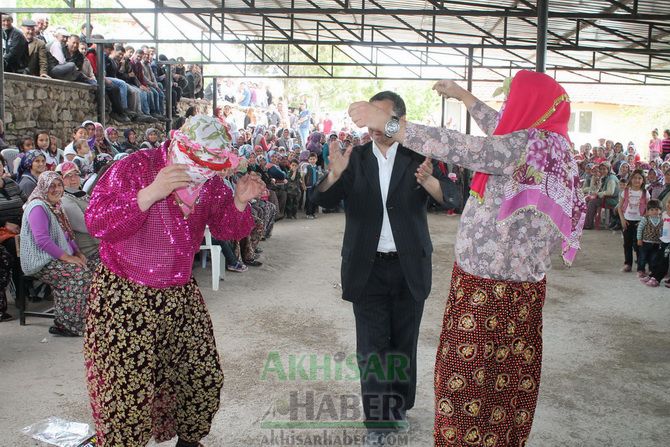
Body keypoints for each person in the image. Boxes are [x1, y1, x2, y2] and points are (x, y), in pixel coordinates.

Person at [347, 71, 586, 447]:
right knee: (505, 380)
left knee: (466, 380)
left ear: (528, 105)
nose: (506, 109)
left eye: (513, 102)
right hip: (521, 291)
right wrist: (465, 97)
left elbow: (461, 146)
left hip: (488, 291)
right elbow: (502, 128)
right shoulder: (550, 145)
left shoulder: (521, 146)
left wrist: (389, 123)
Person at [83, 115, 265, 447]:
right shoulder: (135, 167)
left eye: (212, 166)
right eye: (199, 162)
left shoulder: (208, 183)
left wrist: (240, 200)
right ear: (177, 146)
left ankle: (190, 440)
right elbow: (98, 221)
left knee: (201, 375)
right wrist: (150, 193)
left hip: (179, 293)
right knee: (126, 391)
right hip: (124, 294)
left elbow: (227, 230)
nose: (204, 171)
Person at [314, 91, 457, 446]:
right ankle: (377, 423)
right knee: (372, 348)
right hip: (368, 268)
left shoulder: (417, 156)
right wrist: (333, 175)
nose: (374, 125)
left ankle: (399, 405)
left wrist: (430, 183)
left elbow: (453, 198)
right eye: (371, 116)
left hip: (409, 265)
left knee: (403, 344)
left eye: (382, 117)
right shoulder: (355, 158)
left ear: (398, 120)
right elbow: (317, 200)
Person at [19, 171, 94, 336]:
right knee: (79, 275)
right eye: (51, 185)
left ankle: (81, 319)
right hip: (40, 260)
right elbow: (42, 241)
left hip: (54, 257)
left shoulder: (56, 206)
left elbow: (67, 235)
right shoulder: (37, 206)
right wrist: (69, 258)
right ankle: (67, 324)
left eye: (59, 185)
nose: (56, 189)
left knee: (92, 267)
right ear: (43, 187)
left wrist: (78, 253)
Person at [59, 161, 100, 259]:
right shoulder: (65, 199)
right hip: (91, 250)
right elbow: (87, 225)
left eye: (76, 174)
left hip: (100, 244)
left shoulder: (80, 194)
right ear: (62, 179)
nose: (73, 179)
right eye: (68, 176)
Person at [618, 170, 649, 273]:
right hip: (627, 221)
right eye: (635, 177)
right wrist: (622, 219)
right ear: (631, 179)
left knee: (639, 244)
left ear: (643, 180)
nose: (637, 180)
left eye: (639, 178)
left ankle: (641, 267)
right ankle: (628, 264)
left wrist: (643, 221)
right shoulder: (626, 191)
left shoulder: (645, 192)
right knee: (627, 243)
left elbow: (648, 209)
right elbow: (619, 207)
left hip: (639, 222)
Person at [637, 199, 663, 286]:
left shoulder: (662, 219)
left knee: (654, 258)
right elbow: (640, 229)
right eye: (652, 210)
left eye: (656, 209)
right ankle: (641, 270)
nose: (654, 211)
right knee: (642, 257)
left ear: (660, 210)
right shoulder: (645, 219)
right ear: (648, 211)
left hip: (657, 243)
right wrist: (639, 239)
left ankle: (651, 271)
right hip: (645, 242)